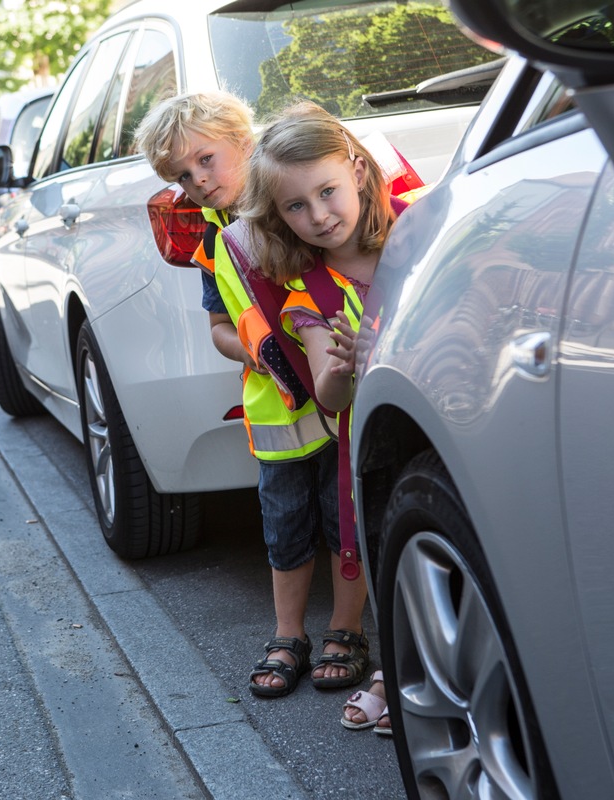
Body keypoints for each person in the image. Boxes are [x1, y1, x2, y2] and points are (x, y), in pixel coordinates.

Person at [134, 91, 372, 699]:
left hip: (341, 393)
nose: (198, 181)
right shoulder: (219, 244)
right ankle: (288, 633)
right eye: (183, 176)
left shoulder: (301, 207)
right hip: (281, 411)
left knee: (347, 514)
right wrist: (257, 350)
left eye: (205, 159)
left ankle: (345, 628)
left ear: (247, 140)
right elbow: (218, 326)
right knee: (285, 522)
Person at [236, 101, 404, 730]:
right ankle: (401, 670)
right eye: (295, 207)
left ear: (357, 170)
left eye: (327, 191)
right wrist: (341, 368)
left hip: (456, 430)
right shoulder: (307, 292)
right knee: (392, 553)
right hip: (377, 451)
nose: (318, 216)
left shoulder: (415, 238)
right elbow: (329, 400)